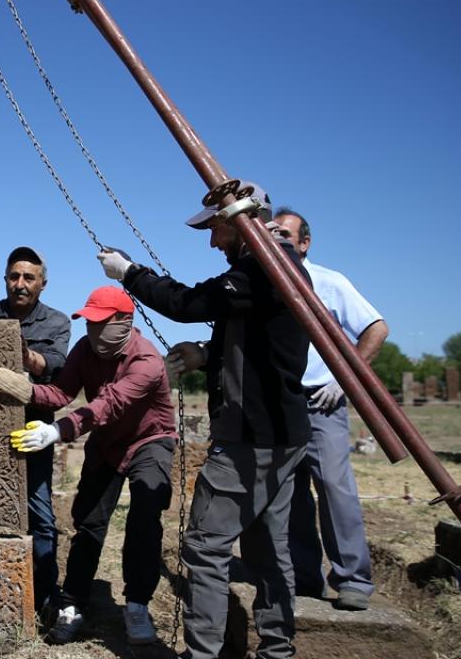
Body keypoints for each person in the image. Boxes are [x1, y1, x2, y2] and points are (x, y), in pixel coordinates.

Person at [99, 183, 311, 659]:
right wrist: (207, 354)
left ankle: (203, 654)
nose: (213, 242)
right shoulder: (285, 266)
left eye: (216, 229)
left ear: (240, 221)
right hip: (283, 433)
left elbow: (188, 304)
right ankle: (277, 650)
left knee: (206, 547)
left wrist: (128, 272)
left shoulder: (262, 267)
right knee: (269, 549)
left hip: (249, 436)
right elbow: (263, 345)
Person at [7, 285, 177, 647]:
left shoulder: (146, 360)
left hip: (149, 440)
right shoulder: (85, 349)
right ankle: (73, 603)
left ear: (124, 322)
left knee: (144, 518)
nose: (93, 331)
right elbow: (61, 392)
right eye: (89, 323)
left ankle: (137, 604)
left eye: (101, 323)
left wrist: (57, 431)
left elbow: (109, 404)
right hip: (107, 443)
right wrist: (22, 389)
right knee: (88, 523)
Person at [273, 208, 388, 611]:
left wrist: (345, 378)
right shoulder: (268, 281)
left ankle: (353, 579)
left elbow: (376, 329)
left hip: (322, 401)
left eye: (287, 235)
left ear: (305, 243)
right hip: (281, 401)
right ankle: (305, 577)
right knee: (290, 494)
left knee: (336, 490)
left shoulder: (329, 282)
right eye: (272, 234)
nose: (279, 242)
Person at [0, 246, 71, 614]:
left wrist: (26, 357)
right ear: (5, 279)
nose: (20, 284)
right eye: (14, 276)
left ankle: (45, 595)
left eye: (29, 278)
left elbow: (56, 367)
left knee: (39, 511)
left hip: (32, 428)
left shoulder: (56, 322)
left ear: (42, 284)